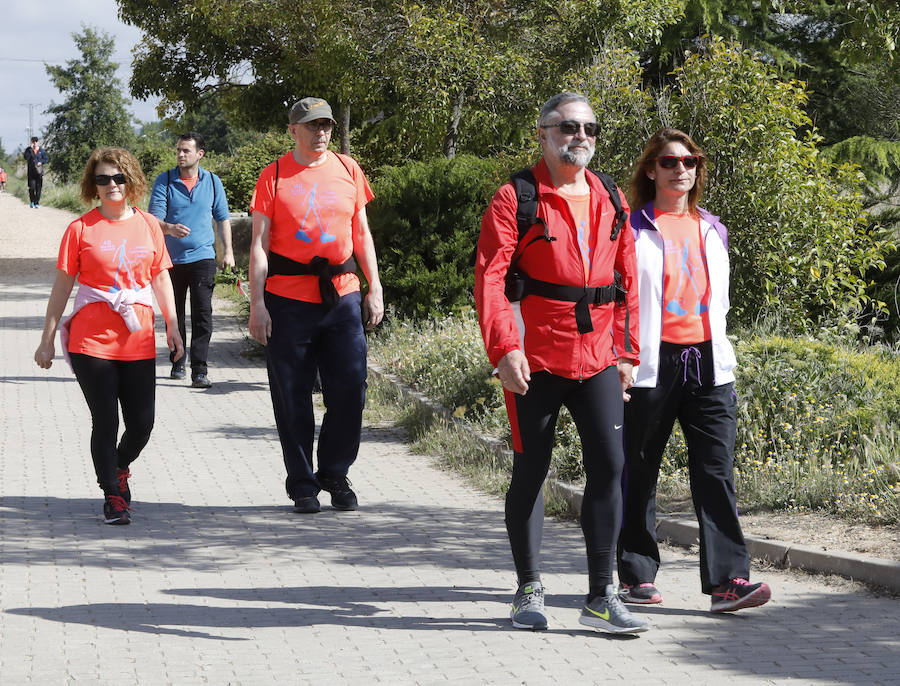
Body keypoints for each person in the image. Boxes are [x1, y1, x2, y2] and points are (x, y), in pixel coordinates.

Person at [474, 92, 646, 634]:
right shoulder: (515, 197)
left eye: (589, 127)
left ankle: (602, 593)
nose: (581, 136)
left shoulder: (611, 196)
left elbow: (627, 284)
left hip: (597, 356)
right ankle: (528, 588)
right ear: (543, 134)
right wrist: (504, 349)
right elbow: (491, 279)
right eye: (568, 127)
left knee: (611, 468)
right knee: (532, 469)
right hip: (535, 357)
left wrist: (627, 353)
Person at [616, 127, 772, 612]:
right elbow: (618, 298)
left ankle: (728, 583)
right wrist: (620, 357)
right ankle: (636, 575)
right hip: (650, 362)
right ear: (651, 169)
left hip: (708, 362)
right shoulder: (631, 227)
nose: (681, 169)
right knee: (638, 470)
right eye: (669, 161)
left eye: (690, 161)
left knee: (716, 473)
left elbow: (718, 302)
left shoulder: (713, 228)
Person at [34, 147, 184, 525]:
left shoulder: (149, 225)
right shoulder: (80, 229)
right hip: (91, 340)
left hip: (138, 337)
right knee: (105, 421)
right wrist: (47, 337)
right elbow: (62, 286)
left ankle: (117, 467)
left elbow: (160, 276)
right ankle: (113, 496)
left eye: (118, 177)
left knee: (142, 424)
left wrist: (174, 325)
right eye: (103, 179)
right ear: (93, 186)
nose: (112, 185)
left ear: (130, 179)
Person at [248, 97, 384, 514]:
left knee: (349, 390)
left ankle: (335, 474)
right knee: (292, 396)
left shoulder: (348, 168)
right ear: (294, 131)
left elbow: (361, 232)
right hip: (288, 300)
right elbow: (258, 244)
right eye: (311, 126)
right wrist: (258, 304)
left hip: (341, 295)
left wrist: (374, 286)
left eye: (325, 125)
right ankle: (303, 484)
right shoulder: (272, 176)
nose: (320, 132)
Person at [148, 131, 234, 389]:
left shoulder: (212, 181)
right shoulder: (164, 180)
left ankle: (200, 369)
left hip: (203, 257)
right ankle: (177, 360)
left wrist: (228, 251)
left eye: (186, 150)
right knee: (173, 315)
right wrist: (170, 228)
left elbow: (222, 218)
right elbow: (153, 222)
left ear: (200, 154)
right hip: (170, 260)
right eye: (178, 150)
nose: (181, 154)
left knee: (202, 314)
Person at [24, 136, 49, 208]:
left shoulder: (42, 151)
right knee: (32, 187)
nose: (34, 143)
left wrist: (41, 162)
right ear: (31, 142)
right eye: (33, 141)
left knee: (39, 188)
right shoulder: (28, 150)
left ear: (38, 142)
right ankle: (32, 201)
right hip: (31, 173)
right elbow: (26, 157)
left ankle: (37, 202)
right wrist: (30, 150)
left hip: (39, 172)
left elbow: (46, 159)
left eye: (36, 141)